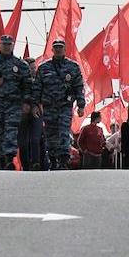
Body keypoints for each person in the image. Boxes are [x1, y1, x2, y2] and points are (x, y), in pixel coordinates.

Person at [0, 34, 33, 170]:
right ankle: (1, 159)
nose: (7, 47)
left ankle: (9, 159)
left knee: (11, 131)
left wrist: (27, 102)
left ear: (13, 45)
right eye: (4, 44)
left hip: (14, 104)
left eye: (9, 44)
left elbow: (28, 85)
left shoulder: (21, 65)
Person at [36, 39, 86, 171]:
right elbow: (37, 88)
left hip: (64, 106)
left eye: (60, 47)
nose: (58, 49)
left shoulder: (73, 67)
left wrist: (81, 104)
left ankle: (63, 160)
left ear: (65, 49)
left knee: (64, 132)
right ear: (52, 50)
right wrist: (35, 104)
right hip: (48, 107)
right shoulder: (43, 67)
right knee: (50, 134)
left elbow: (79, 86)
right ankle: (52, 159)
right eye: (56, 47)